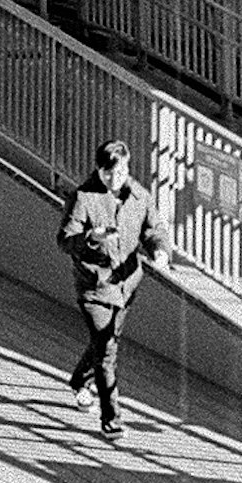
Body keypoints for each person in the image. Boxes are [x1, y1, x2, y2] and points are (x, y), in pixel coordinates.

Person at [56, 139, 169, 440]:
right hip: (94, 287)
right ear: (98, 169)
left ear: (127, 168)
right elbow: (65, 240)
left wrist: (159, 250)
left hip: (127, 285)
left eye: (118, 174)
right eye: (107, 174)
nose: (113, 180)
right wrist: (91, 237)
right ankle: (112, 419)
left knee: (105, 341)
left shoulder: (139, 197)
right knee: (107, 351)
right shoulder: (83, 197)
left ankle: (80, 379)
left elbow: (154, 230)